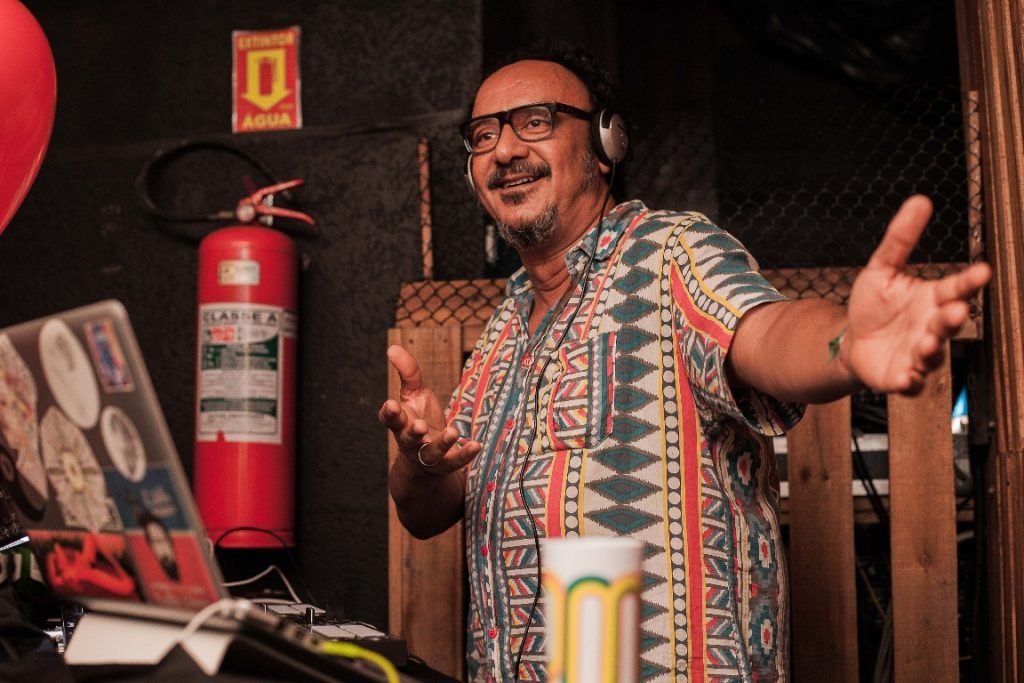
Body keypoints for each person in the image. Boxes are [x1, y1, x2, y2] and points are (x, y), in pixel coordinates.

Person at [379, 44, 991, 682]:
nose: (504, 149)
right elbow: (428, 513)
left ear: (605, 145)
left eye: (535, 121)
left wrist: (846, 345)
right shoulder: (505, 327)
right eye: (483, 135)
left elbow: (765, 331)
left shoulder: (671, 254)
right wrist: (418, 464)